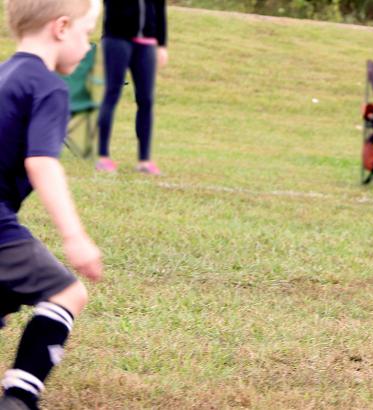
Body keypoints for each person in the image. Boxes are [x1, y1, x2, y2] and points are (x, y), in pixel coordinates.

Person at [0, 1, 105, 409]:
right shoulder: (47, 86)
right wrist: (74, 237)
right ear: (61, 28)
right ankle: (20, 399)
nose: (88, 45)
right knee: (66, 292)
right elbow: (42, 162)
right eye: (87, 32)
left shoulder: (5, 73)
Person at [95, 0, 168, 175]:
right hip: (117, 38)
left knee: (146, 99)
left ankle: (144, 160)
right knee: (112, 93)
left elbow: (159, 7)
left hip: (147, 42)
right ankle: (102, 156)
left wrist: (162, 44)